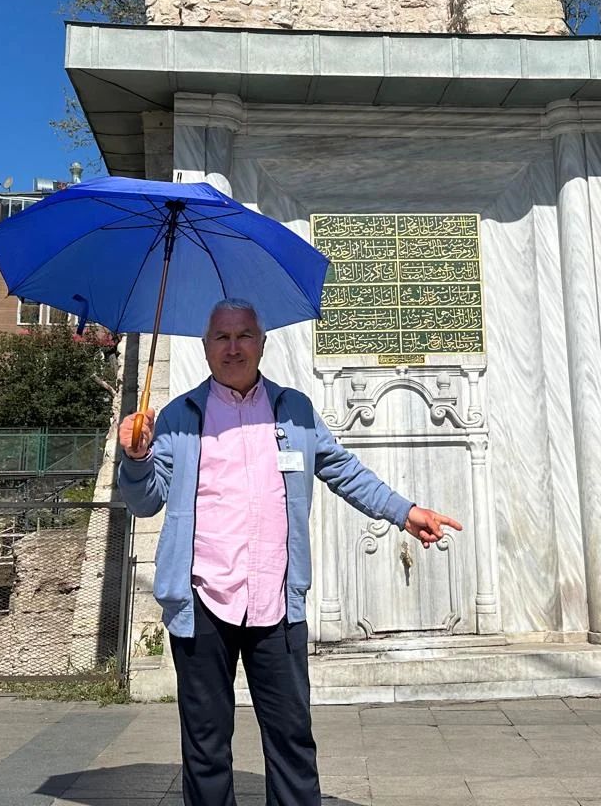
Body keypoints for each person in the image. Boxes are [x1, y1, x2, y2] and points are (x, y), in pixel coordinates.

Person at [118, 297, 461, 806]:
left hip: (276, 601)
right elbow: (145, 502)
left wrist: (404, 512)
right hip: (202, 602)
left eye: (244, 336)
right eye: (222, 337)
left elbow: (343, 470)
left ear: (261, 342)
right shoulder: (178, 416)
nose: (233, 347)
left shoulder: (293, 410)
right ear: (206, 347)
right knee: (207, 748)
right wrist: (139, 456)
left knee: (292, 740)